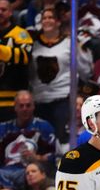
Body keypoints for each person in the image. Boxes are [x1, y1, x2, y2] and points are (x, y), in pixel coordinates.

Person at [32, 7, 93, 143]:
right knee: (42, 142)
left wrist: (79, 48)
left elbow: (85, 71)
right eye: (44, 18)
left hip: (63, 100)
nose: (47, 21)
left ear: (58, 22)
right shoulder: (33, 45)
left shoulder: (69, 43)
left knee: (62, 139)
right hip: (40, 101)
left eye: (50, 17)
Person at [0, 91, 57, 190]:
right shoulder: (3, 128)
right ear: (15, 107)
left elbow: (56, 154)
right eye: (21, 106)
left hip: (28, 172)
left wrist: (38, 157)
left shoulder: (44, 127)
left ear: (33, 106)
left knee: (32, 175)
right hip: (5, 172)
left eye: (28, 105)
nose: (24, 109)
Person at [0, 0, 33, 121]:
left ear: (10, 12)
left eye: (3, 10)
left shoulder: (20, 34)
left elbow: (25, 56)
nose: (0, 12)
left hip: (15, 101)